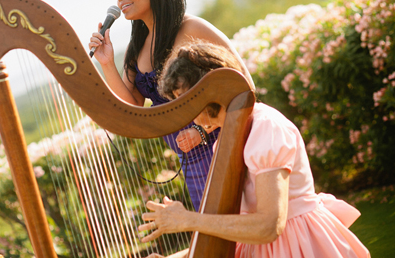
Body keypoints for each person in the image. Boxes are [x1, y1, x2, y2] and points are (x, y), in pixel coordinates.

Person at [138, 41, 370, 258]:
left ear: (210, 89)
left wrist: (188, 220)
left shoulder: (265, 127)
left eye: (186, 99)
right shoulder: (229, 136)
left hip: (296, 244)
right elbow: (236, 227)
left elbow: (269, 227)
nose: (184, 110)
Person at [88, 0, 254, 210]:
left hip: (225, 145)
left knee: (243, 222)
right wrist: (106, 63)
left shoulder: (192, 28)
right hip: (190, 160)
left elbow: (243, 85)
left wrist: (202, 131)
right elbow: (130, 105)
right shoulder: (136, 48)